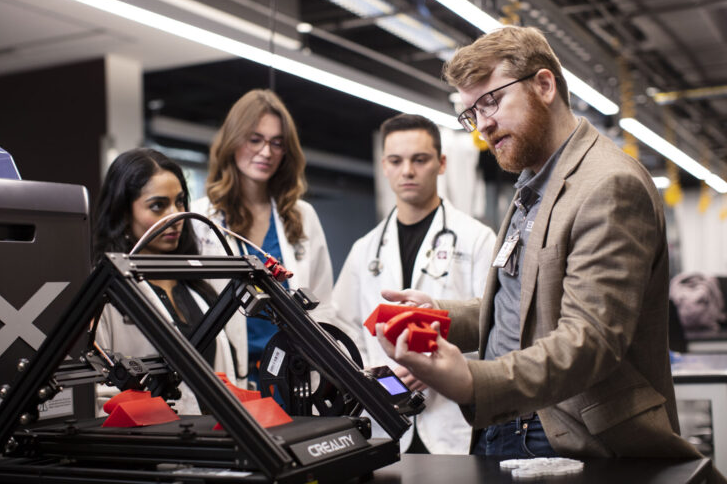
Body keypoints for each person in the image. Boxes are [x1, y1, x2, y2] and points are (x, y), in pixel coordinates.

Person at [376, 26, 716, 466]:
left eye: (491, 101)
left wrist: (473, 382)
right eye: (470, 114)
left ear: (544, 84)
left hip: (569, 436)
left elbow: (588, 340)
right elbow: (524, 310)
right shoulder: (533, 184)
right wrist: (438, 317)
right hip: (504, 424)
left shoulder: (608, 184)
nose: (482, 125)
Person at [332, 113, 495, 454]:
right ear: (385, 167)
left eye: (419, 159)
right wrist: (377, 374)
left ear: (441, 163)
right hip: (385, 416)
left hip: (455, 420)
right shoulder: (365, 250)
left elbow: (495, 326)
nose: (407, 170)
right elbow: (343, 328)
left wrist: (443, 364)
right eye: (396, 160)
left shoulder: (476, 239)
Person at [191, 89, 335, 389]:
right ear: (232, 141)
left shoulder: (301, 215)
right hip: (226, 378)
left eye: (277, 143)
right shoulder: (200, 219)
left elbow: (323, 305)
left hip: (293, 376)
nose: (266, 152)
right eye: (255, 139)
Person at [93, 148, 235, 414]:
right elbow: (99, 395)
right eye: (158, 206)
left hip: (217, 444)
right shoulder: (105, 298)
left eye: (180, 202)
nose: (175, 217)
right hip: (152, 450)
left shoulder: (198, 291)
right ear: (124, 214)